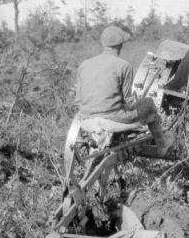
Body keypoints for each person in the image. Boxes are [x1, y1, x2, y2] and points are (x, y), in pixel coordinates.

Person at [71, 25, 174, 157]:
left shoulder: (84, 65)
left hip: (86, 120)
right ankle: (162, 146)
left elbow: (78, 100)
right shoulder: (124, 66)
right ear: (120, 45)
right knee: (148, 103)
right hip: (112, 119)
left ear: (103, 43)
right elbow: (128, 104)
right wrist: (136, 103)